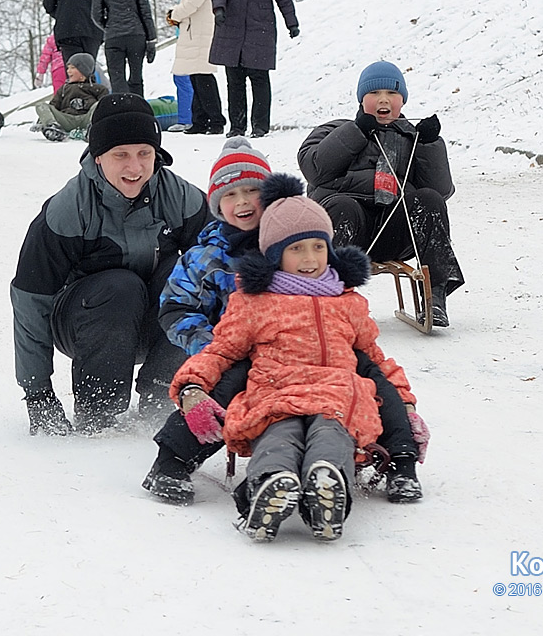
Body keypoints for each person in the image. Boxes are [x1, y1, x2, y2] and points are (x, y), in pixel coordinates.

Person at [145, 143, 427, 507]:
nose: (244, 202)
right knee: (228, 383)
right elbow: (176, 308)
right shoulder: (207, 255)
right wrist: (209, 347)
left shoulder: (294, 236)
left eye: (252, 191)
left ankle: (392, 460)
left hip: (302, 354)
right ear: (216, 204)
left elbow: (335, 302)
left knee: (366, 374)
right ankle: (171, 462)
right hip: (232, 347)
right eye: (231, 195)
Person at [10, 94, 208, 435]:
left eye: (144, 153)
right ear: (98, 157)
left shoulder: (182, 199)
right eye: (121, 155)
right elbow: (31, 302)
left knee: (191, 274)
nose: (135, 168)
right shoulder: (68, 210)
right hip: (85, 323)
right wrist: (38, 395)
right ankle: (98, 411)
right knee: (120, 286)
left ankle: (161, 401)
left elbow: (224, 272)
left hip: (153, 325)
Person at [297, 61, 464, 326]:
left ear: (402, 100)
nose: (383, 100)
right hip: (348, 231)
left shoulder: (413, 138)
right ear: (362, 99)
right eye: (374, 94)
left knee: (429, 200)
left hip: (395, 233)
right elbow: (316, 170)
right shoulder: (332, 130)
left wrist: (430, 144)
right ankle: (328, 298)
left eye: (391, 94)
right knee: (342, 204)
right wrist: (357, 132)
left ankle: (436, 297)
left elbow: (441, 191)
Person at [210, 0, 300, 138]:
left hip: (260, 27)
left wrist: (291, 21)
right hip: (231, 25)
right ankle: (237, 126)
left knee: (259, 79)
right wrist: (219, 7)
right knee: (235, 80)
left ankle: (260, 126)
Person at [167, 0, 224, 135]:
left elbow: (192, 3)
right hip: (195, 32)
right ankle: (200, 120)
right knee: (196, 78)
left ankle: (215, 120)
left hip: (198, 34)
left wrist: (174, 13)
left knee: (203, 79)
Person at [91, 0, 157, 97]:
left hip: (114, 38)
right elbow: (145, 13)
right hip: (136, 36)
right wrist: (151, 40)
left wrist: (108, 26)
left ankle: (122, 112)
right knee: (136, 78)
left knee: (117, 79)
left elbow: (95, 15)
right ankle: (138, 110)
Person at [32, 53, 107, 142]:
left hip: (86, 119)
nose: (68, 71)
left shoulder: (98, 88)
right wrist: (42, 121)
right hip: (66, 120)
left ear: (83, 71)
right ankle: (52, 128)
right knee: (41, 105)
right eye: (68, 68)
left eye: (72, 68)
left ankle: (93, 130)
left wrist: (85, 104)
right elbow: (53, 106)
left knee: (100, 104)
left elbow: (104, 109)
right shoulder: (64, 89)